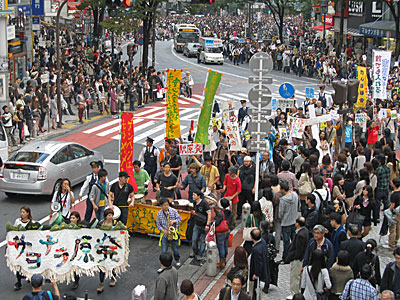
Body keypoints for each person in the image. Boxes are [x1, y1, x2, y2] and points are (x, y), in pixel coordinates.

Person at [285, 217, 309, 298]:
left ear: (297, 223)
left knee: (295, 276)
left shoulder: (300, 235)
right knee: (298, 276)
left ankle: (294, 293)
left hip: (297, 259)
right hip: (301, 258)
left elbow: (299, 249)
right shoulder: (305, 231)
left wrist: (295, 257)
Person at [96, 209, 118, 293]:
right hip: (103, 247)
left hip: (112, 247)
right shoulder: (101, 223)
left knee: (112, 263)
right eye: (109, 215)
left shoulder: (116, 223)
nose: (110, 217)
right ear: (105, 216)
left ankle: (113, 278)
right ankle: (101, 283)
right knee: (102, 265)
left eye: (111, 215)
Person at [156, 198, 181, 268]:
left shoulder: (173, 211)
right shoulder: (159, 214)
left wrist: (174, 221)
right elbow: (158, 225)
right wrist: (164, 231)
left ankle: (177, 260)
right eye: (164, 205)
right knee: (164, 251)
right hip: (165, 234)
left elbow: (179, 219)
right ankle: (163, 265)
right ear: (161, 206)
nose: (166, 206)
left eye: (167, 205)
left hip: (173, 233)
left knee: (175, 249)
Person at [13, 206, 34, 290]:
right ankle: (19, 281)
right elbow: (13, 231)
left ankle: (30, 277)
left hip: (28, 247)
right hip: (19, 246)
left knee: (29, 262)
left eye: (24, 212)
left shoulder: (32, 223)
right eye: (21, 212)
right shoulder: (18, 221)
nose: (22, 214)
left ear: (28, 213)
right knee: (19, 263)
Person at [279, 180, 299, 261]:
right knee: (294, 240)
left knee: (286, 242)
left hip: (286, 223)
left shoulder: (283, 200)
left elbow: (281, 213)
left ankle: (285, 258)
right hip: (294, 221)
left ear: (283, 190)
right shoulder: (295, 195)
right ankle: (295, 255)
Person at [191, 191, 211, 262]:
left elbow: (209, 213)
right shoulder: (194, 203)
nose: (192, 196)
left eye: (194, 195)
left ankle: (200, 254)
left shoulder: (204, 203)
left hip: (204, 225)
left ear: (198, 196)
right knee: (194, 240)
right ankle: (195, 251)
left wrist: (207, 224)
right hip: (197, 224)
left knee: (203, 240)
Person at [249, 228, 270, 298]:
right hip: (264, 268)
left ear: (252, 237)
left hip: (256, 273)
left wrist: (256, 274)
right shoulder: (263, 242)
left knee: (255, 290)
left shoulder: (256, 249)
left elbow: (258, 263)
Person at [215, 197, 232, 268]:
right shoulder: (230, 212)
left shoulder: (220, 214)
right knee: (225, 246)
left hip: (220, 233)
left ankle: (222, 261)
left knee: (221, 247)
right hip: (227, 231)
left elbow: (217, 223)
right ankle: (224, 259)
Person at [375, 154, 391, 222]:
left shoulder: (379, 169)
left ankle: (377, 217)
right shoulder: (388, 167)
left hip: (379, 188)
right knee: (386, 202)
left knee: (378, 203)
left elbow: (377, 178)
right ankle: (387, 216)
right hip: (386, 188)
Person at [389, 178, 400, 249]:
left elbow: (392, 205)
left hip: (395, 213)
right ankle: (396, 241)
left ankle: (392, 243)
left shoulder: (393, 195)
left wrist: (388, 211)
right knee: (398, 228)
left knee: (393, 229)